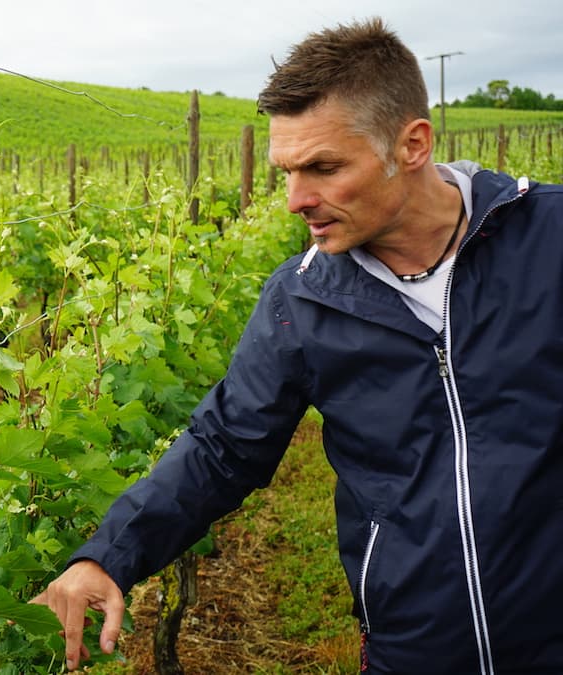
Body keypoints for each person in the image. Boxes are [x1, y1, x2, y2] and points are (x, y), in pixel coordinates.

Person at [32, 18, 563, 674]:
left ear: (413, 144)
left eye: (322, 167)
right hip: (416, 651)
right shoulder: (304, 300)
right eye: (287, 170)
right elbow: (223, 449)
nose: (294, 200)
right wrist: (109, 552)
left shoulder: (549, 240)